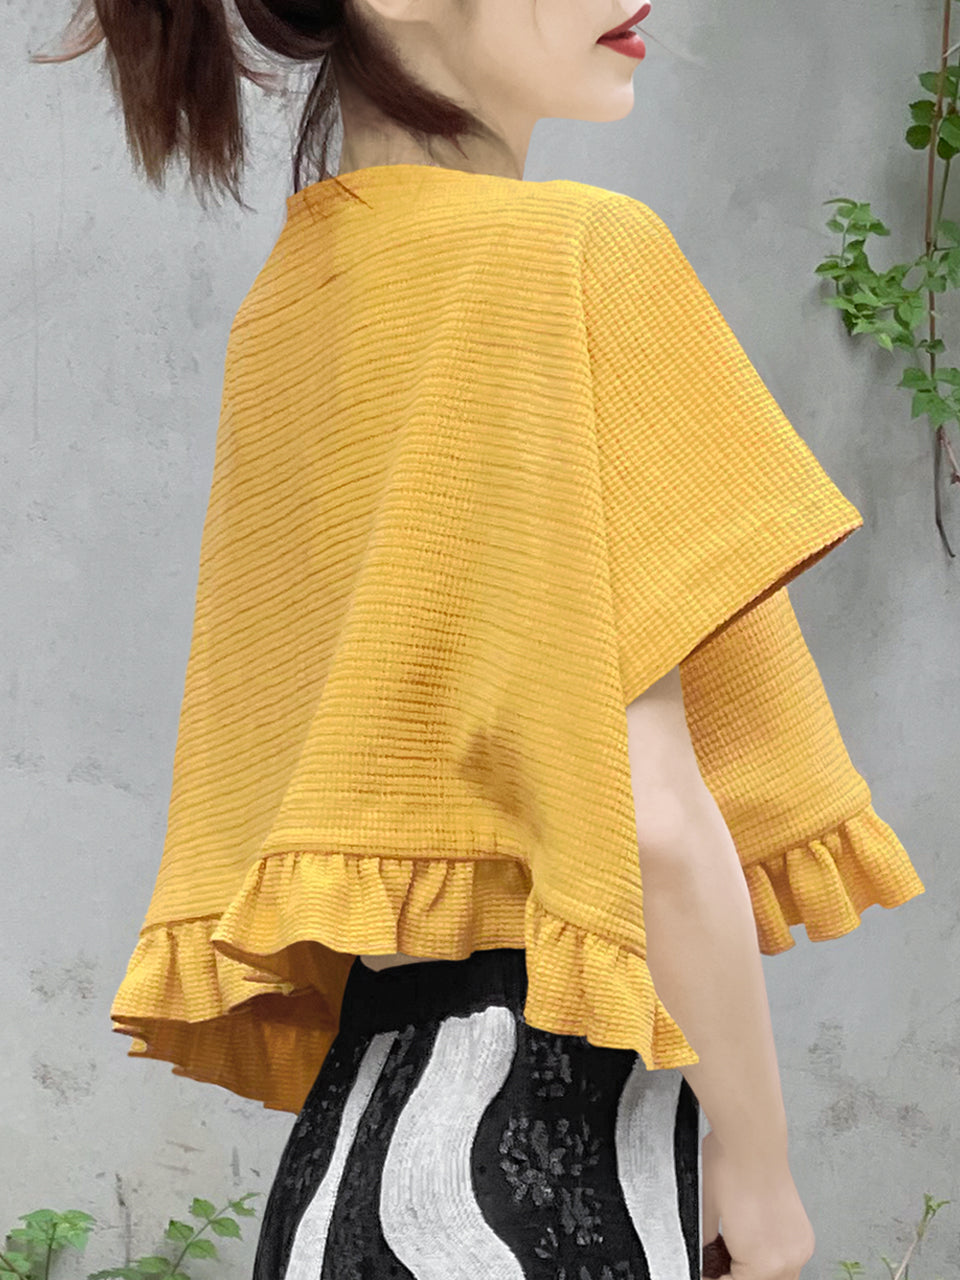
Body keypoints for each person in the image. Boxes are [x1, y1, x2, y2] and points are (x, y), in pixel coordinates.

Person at [30, 1, 926, 1277]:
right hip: (543, 1174)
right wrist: (762, 1171)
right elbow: (650, 818)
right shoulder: (571, 256)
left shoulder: (291, 304)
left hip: (345, 1166)